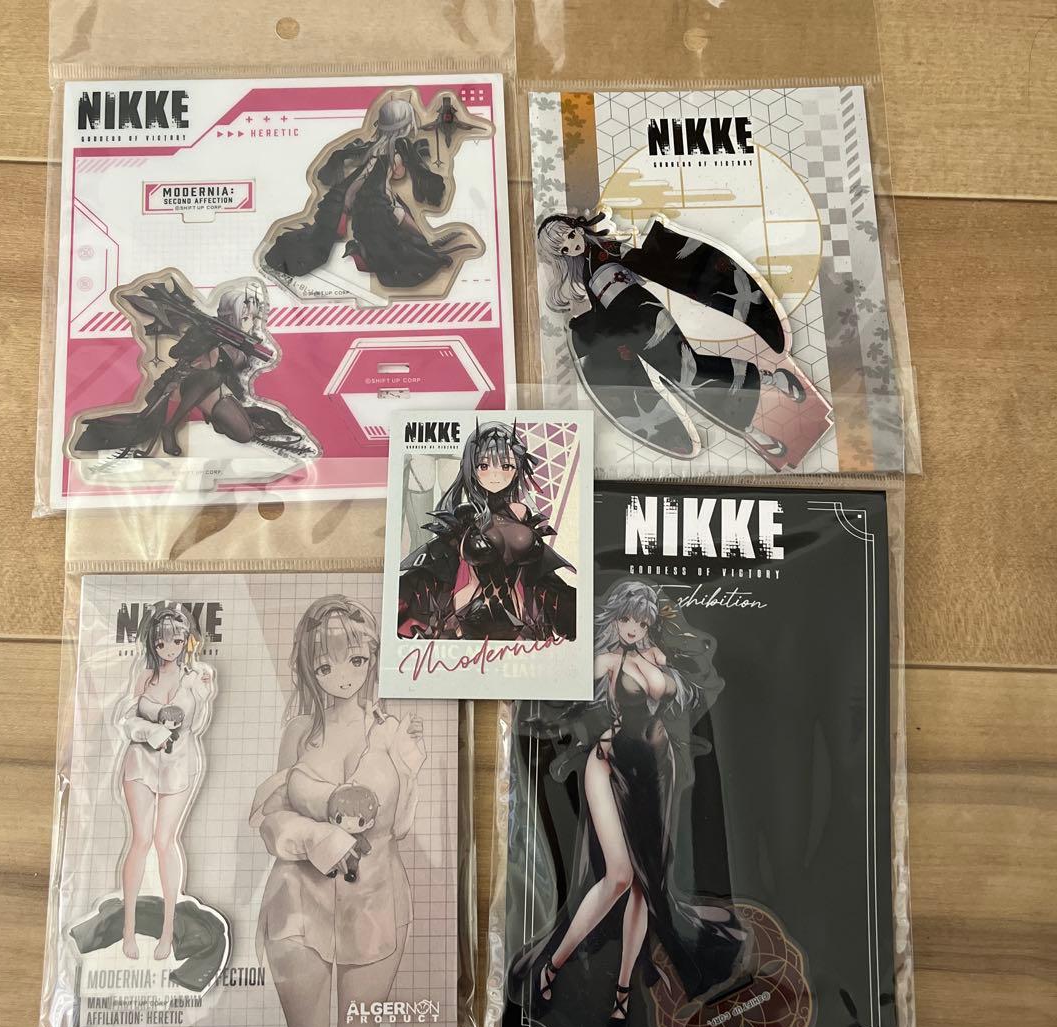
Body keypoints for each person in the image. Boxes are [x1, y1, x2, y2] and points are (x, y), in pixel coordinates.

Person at [510, 579, 747, 1027]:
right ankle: (551, 967)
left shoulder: (657, 656)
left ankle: (622, 994)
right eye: (626, 619)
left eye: (641, 620)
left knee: (643, 884)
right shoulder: (606, 661)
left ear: (650, 623)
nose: (633, 628)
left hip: (655, 773)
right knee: (619, 875)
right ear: (615, 618)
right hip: (607, 764)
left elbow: (687, 689)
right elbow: (559, 694)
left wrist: (661, 666)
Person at [251, 596, 427, 1027]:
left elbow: (400, 828)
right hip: (297, 899)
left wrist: (410, 766)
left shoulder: (391, 733)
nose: (343, 676)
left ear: (373, 658)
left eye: (357, 660)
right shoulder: (299, 731)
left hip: (375, 901)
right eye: (325, 666)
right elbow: (271, 819)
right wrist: (316, 838)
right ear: (310, 668)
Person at [537, 213, 805, 459]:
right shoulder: (585, 272)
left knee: (689, 371)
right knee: (685, 378)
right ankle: (754, 411)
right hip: (629, 329)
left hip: (647, 315)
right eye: (563, 249)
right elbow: (602, 310)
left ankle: (757, 405)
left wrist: (653, 245)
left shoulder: (607, 249)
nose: (571, 246)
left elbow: (645, 260)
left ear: (578, 228)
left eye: (570, 236)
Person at [73, 278, 315, 459]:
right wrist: (204, 340)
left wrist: (226, 345)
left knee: (244, 434)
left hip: (213, 393)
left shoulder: (237, 342)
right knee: (211, 376)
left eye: (252, 316)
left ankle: (213, 422)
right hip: (182, 386)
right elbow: (176, 353)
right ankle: (169, 428)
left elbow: (239, 367)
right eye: (245, 315)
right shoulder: (205, 330)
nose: (250, 320)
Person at [264, 97, 475, 287]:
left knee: (406, 223)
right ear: (405, 125)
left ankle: (411, 246)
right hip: (380, 206)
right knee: (411, 241)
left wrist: (345, 204)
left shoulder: (373, 149)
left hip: (368, 204)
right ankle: (413, 250)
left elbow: (360, 178)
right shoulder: (397, 148)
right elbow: (397, 174)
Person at [398, 419, 576, 641]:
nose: (495, 475)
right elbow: (441, 563)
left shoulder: (521, 513)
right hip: (466, 610)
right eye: (484, 466)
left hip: (517, 612)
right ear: (471, 468)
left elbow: (538, 573)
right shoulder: (466, 515)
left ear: (517, 468)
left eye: (506, 466)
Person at [117, 603, 215, 961]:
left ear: (186, 641)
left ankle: (168, 930)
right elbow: (126, 718)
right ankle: (128, 929)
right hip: (141, 761)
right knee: (140, 839)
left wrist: (201, 682)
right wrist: (150, 731)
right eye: (161, 643)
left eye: (176, 641)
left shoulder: (194, 678)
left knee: (164, 841)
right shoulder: (145, 677)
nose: (169, 649)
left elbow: (198, 715)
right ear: (152, 644)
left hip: (177, 765)